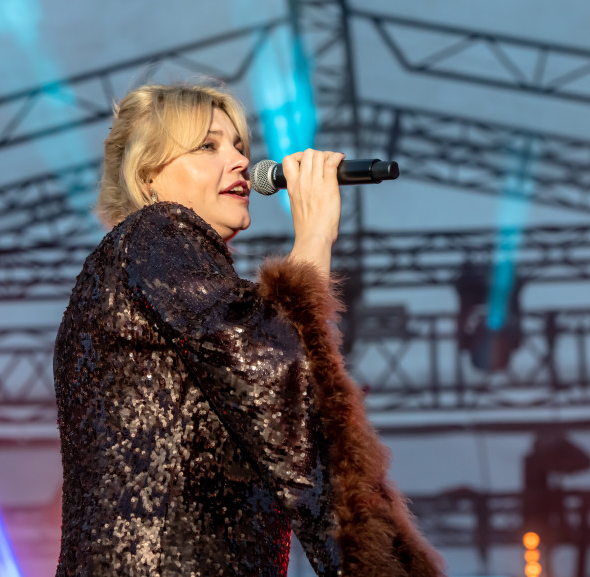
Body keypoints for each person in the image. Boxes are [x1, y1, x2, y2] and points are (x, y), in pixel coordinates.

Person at [53, 83, 444, 576]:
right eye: (208, 146)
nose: (240, 161)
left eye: (239, 146)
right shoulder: (156, 230)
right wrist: (315, 235)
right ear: (148, 174)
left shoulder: (146, 273)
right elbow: (274, 369)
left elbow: (269, 381)